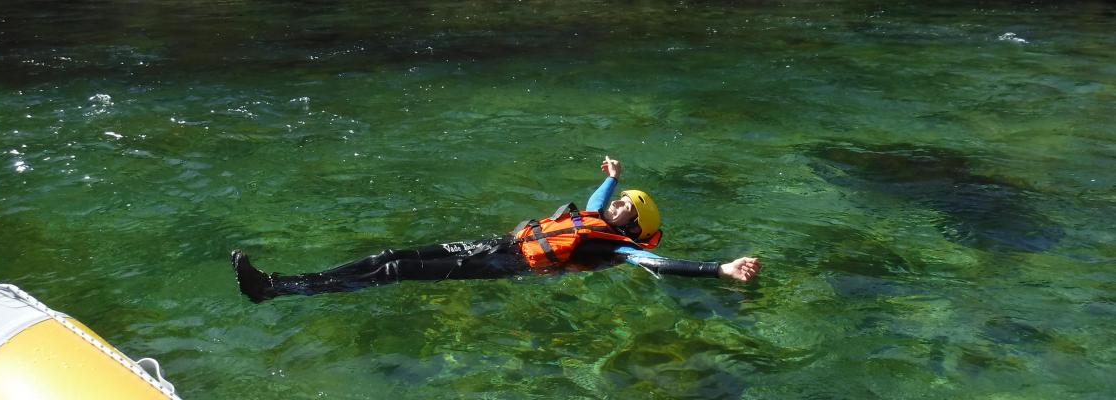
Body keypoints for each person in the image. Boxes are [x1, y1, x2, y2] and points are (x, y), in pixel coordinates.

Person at [231, 156, 761, 303]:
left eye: (628, 206)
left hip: (506, 264)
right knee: (390, 254)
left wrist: (718, 268)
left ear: (636, 225)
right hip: (498, 243)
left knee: (393, 271)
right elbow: (595, 203)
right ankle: (279, 283)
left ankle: (276, 290)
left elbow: (659, 262)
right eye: (620, 200)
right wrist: (614, 179)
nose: (618, 205)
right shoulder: (599, 215)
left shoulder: (618, 247)